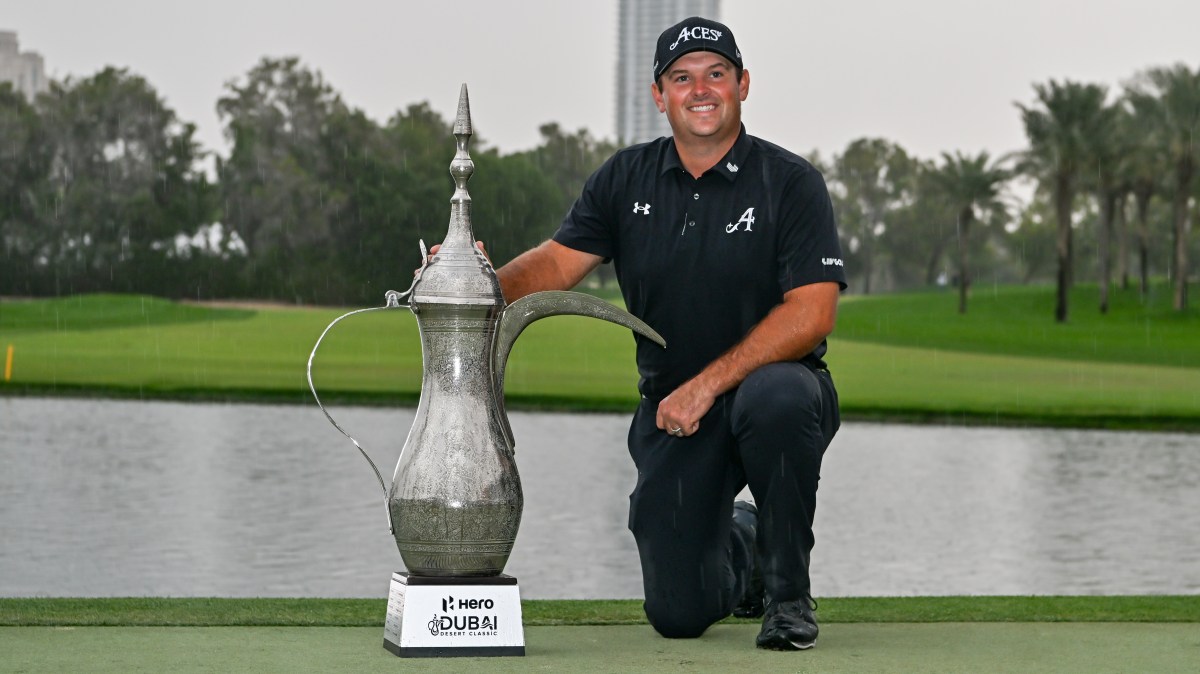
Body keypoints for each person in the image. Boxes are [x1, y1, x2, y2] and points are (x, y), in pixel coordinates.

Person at [497, 17, 846, 650]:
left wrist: (708, 385)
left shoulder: (791, 183)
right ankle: (747, 552)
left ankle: (789, 598)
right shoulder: (624, 178)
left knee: (780, 399)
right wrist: (473, 281)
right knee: (678, 615)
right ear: (660, 95)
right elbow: (555, 264)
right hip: (674, 412)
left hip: (779, 396)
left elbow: (811, 314)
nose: (701, 89)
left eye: (717, 74)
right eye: (682, 78)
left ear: (743, 84)